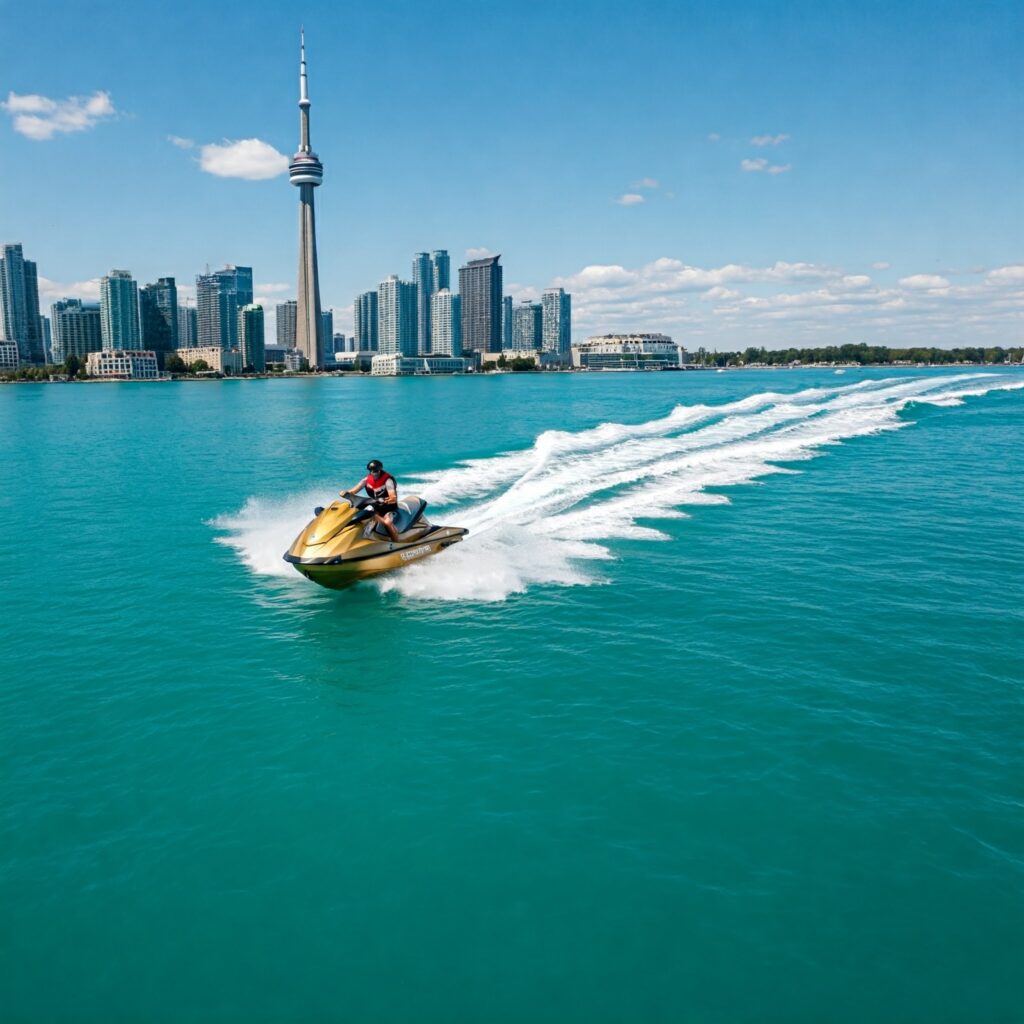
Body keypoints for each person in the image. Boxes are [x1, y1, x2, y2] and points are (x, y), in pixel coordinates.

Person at [344, 459, 401, 543]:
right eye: (371, 471)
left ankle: (396, 543)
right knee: (363, 517)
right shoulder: (366, 480)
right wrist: (345, 493)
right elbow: (353, 491)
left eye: (376, 471)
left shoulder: (388, 480)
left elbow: (393, 497)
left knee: (387, 522)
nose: (374, 473)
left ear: (380, 470)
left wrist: (384, 500)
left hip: (388, 508)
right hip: (376, 507)